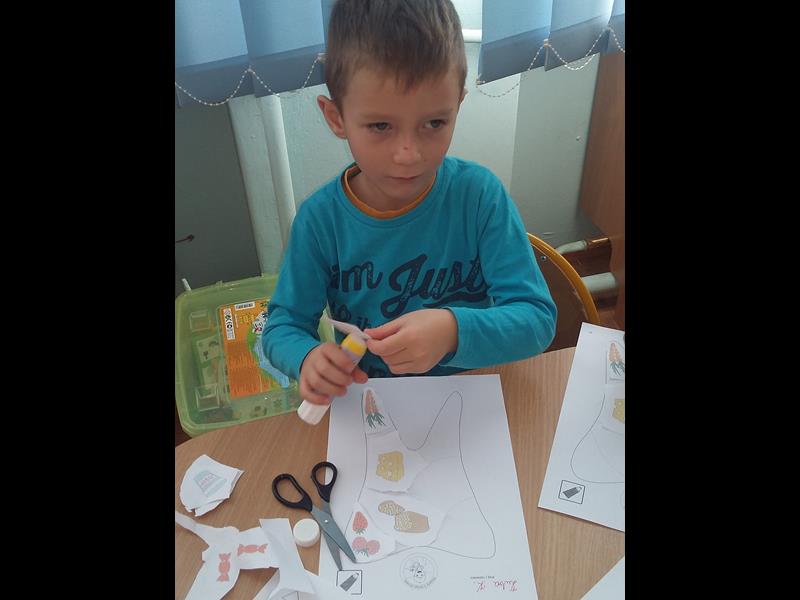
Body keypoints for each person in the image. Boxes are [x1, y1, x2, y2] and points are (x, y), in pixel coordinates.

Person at [264, 0, 556, 406]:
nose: (409, 154)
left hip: (474, 399)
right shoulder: (320, 222)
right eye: (380, 126)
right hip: (376, 405)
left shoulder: (480, 197)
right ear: (336, 117)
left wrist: (452, 331)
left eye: (434, 123)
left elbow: (537, 321)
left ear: (458, 105)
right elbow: (282, 327)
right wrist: (307, 357)